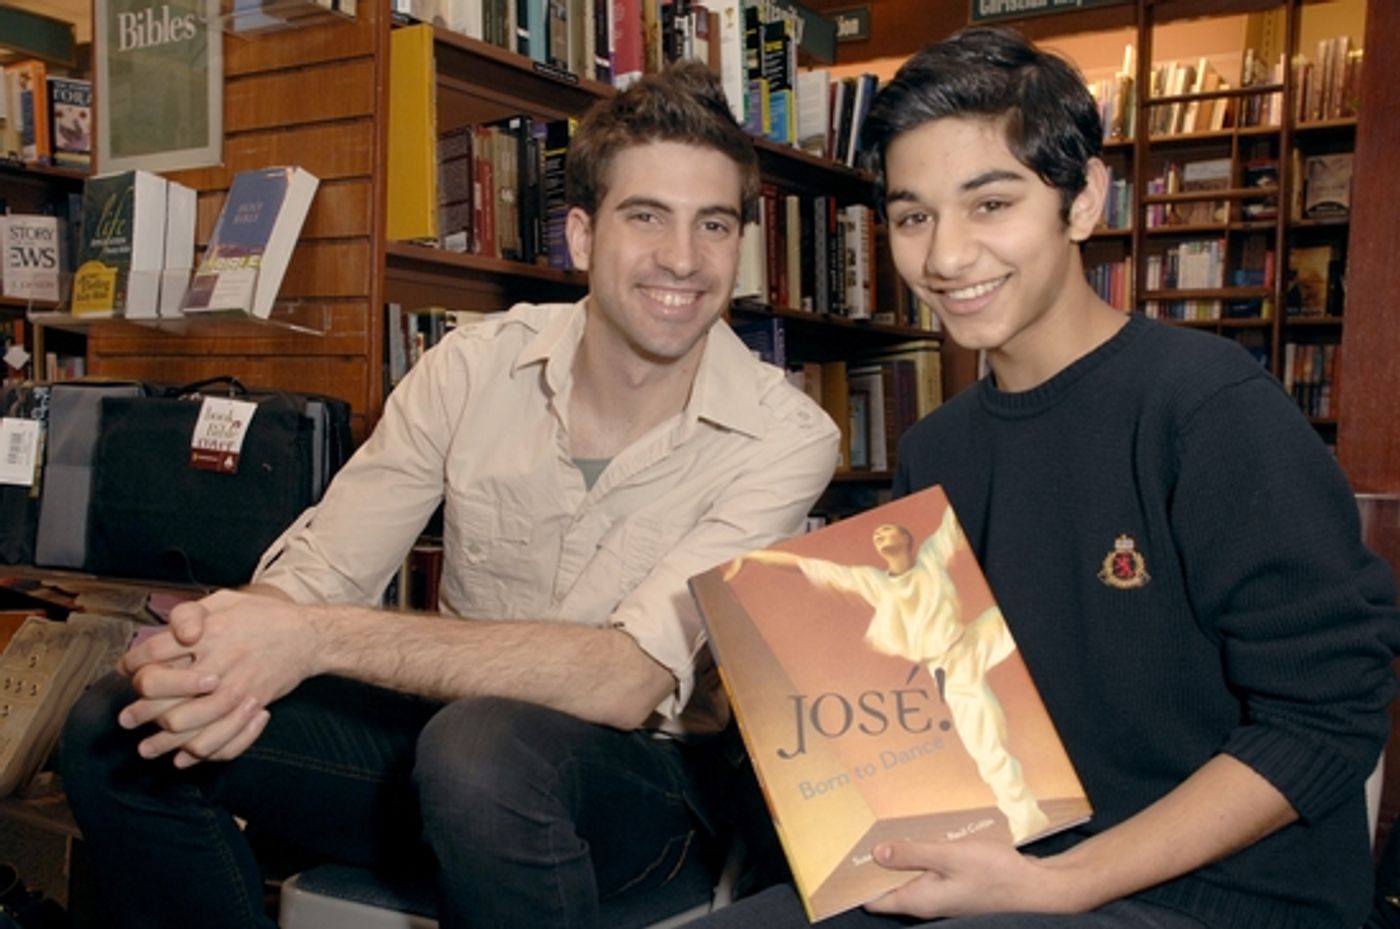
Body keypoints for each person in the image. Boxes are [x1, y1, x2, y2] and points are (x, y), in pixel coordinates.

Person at [59, 60, 839, 929]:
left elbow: (628, 678)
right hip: (434, 757)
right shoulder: (471, 365)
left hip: (635, 798)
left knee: (481, 749)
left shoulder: (786, 436)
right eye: (646, 215)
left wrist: (309, 636)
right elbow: (321, 571)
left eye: (715, 225)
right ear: (582, 236)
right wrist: (223, 648)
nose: (684, 260)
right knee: (116, 723)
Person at [684, 26, 1398, 929]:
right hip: (1009, 869)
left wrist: (1062, 883)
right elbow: (939, 705)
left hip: (1221, 898)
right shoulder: (936, 450)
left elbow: (1329, 717)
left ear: (1085, 199)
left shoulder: (1210, 407)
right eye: (913, 216)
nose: (945, 256)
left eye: (991, 204)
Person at [724, 510, 1049, 841]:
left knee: (1029, 608)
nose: (879, 533)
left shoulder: (930, 558)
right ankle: (1027, 819)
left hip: (973, 639)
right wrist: (753, 557)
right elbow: (810, 568)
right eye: (876, 534)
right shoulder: (874, 582)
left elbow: (953, 519)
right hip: (950, 669)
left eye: (888, 529)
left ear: (907, 539)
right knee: (986, 747)